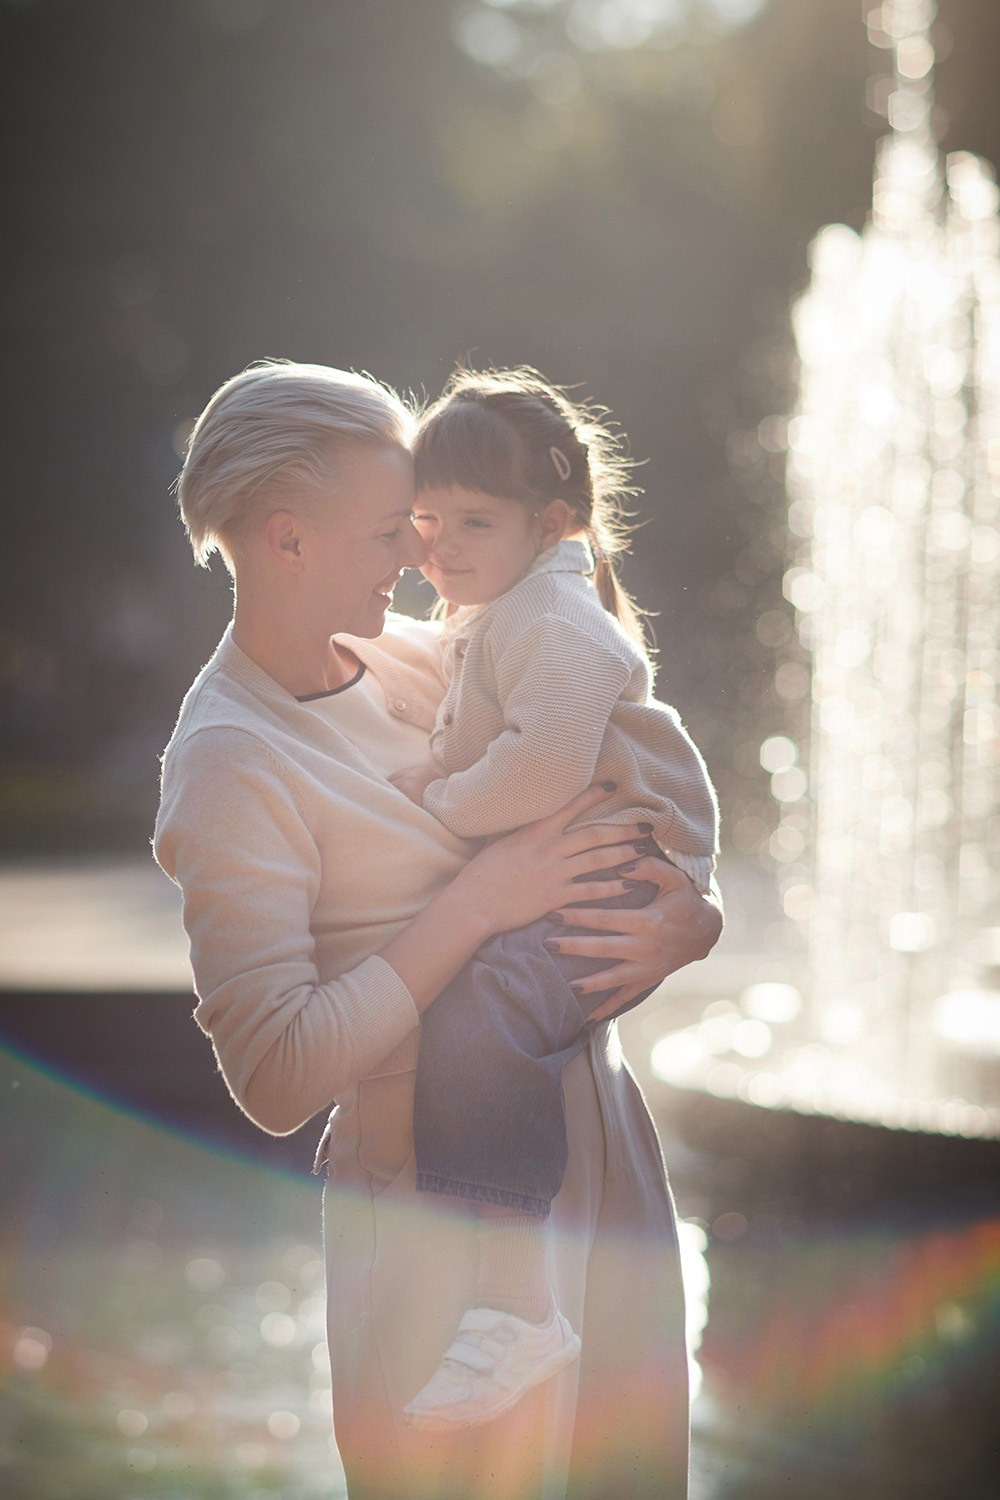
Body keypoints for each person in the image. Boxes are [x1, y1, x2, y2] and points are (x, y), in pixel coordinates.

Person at [153, 359, 723, 1500]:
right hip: (439, 1230)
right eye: (389, 531)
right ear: (286, 539)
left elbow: (613, 773)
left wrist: (692, 917)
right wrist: (476, 906)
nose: (420, 558)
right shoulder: (229, 761)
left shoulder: (425, 660)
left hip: (601, 1164)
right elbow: (276, 1075)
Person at [387, 367, 719, 1434]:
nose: (440, 548)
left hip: (612, 866)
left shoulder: (554, 618)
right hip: (593, 856)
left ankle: (516, 1304)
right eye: (427, 521)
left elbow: (537, 773)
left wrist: (440, 797)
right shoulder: (503, 609)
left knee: (480, 1012)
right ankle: (506, 1296)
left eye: (474, 522)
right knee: (479, 1010)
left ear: (554, 521)